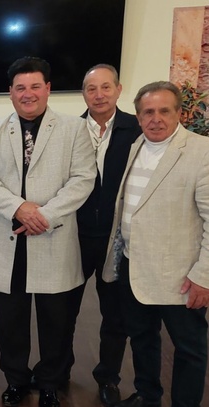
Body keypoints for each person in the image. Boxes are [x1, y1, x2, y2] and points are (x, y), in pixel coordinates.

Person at [0, 56, 96, 407]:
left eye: (35, 86)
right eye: (20, 87)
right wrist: (19, 208)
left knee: (56, 321)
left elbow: (83, 179)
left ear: (48, 89)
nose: (28, 94)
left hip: (52, 236)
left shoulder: (73, 128)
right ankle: (16, 380)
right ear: (10, 92)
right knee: (10, 321)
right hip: (7, 238)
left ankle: (51, 382)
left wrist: (44, 215)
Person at [103, 81, 209, 407]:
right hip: (134, 267)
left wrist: (204, 277)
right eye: (148, 112)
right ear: (138, 117)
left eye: (164, 110)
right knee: (142, 339)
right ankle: (148, 397)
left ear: (179, 113)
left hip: (181, 277)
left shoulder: (201, 152)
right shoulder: (137, 145)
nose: (156, 118)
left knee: (189, 349)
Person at [65, 64, 141, 406]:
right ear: (83, 94)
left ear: (118, 90)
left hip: (117, 239)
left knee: (115, 315)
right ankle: (58, 370)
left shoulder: (136, 129)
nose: (99, 95)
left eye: (106, 87)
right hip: (74, 235)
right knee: (64, 310)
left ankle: (108, 377)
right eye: (91, 89)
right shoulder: (69, 130)